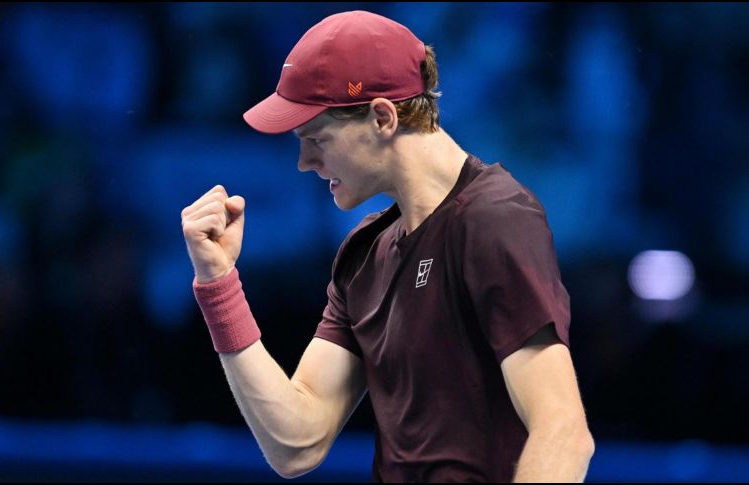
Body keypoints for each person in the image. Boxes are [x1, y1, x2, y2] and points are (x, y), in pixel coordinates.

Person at [181, 10, 594, 482]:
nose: (304, 162)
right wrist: (219, 284)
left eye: (316, 139)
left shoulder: (494, 219)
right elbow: (296, 442)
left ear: (382, 117)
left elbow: (563, 432)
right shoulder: (365, 252)